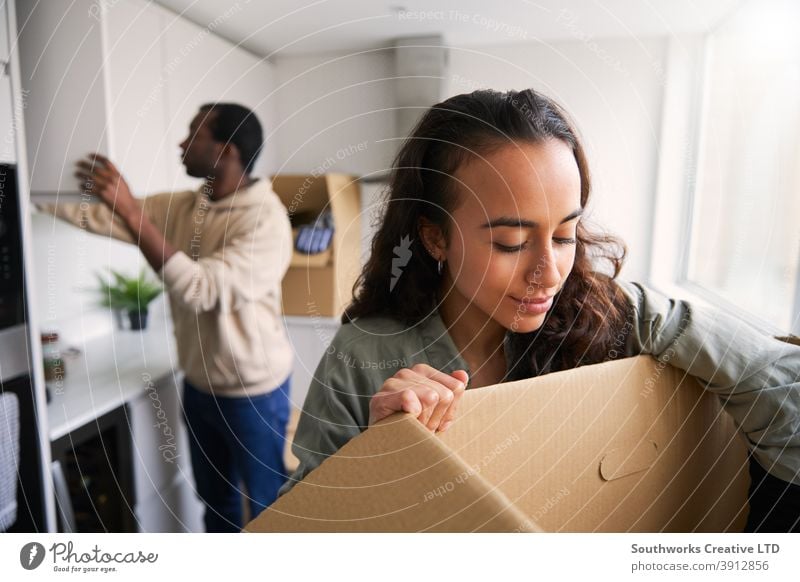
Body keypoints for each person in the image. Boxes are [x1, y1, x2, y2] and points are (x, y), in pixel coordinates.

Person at [279, 89, 800, 532]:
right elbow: (302, 528)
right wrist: (378, 460)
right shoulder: (362, 357)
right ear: (436, 237)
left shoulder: (617, 317)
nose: (550, 273)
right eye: (510, 242)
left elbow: (785, 389)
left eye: (565, 234)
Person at [42, 103, 294, 532]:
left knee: (269, 507)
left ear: (226, 151)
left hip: (254, 392)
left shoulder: (266, 222)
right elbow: (104, 214)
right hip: (198, 386)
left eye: (194, 134)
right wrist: (28, 187)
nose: (181, 143)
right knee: (216, 505)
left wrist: (133, 212)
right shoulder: (184, 207)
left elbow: (202, 289)